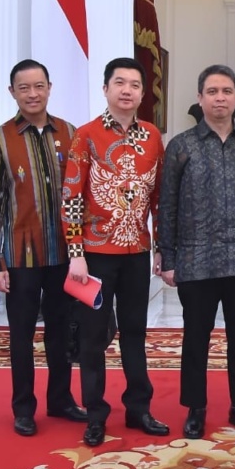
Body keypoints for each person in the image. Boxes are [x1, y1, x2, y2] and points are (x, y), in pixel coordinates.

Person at [158, 64, 235, 440]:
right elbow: (167, 204)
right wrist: (168, 256)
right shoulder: (182, 145)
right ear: (200, 98)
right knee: (196, 337)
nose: (219, 98)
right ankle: (196, 407)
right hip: (196, 259)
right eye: (212, 91)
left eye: (226, 91)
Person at [63, 57, 168, 447]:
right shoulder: (87, 135)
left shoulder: (153, 136)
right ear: (105, 89)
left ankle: (139, 408)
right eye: (119, 83)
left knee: (136, 334)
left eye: (135, 84)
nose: (127, 90)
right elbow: (71, 197)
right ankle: (95, 414)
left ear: (142, 93)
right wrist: (76, 252)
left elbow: (158, 198)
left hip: (138, 254)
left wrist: (160, 248)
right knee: (92, 338)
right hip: (95, 256)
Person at [0, 59, 87, 436]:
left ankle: (61, 400)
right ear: (12, 92)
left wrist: (81, 251)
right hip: (20, 256)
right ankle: (23, 408)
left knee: (61, 329)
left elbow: (80, 194)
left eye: (38, 86)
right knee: (21, 333)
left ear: (49, 87)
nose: (32, 93)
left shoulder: (71, 134)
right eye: (23, 88)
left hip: (63, 254)